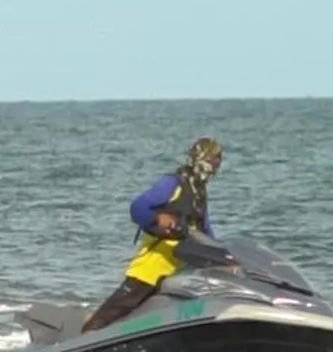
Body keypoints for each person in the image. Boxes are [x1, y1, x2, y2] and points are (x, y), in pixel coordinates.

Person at [80, 137, 225, 332]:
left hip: (178, 271)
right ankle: (86, 337)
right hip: (151, 270)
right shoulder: (174, 183)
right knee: (117, 309)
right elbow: (138, 207)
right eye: (214, 160)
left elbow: (205, 232)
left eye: (218, 161)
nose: (216, 167)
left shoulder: (198, 192)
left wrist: (225, 259)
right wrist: (158, 218)